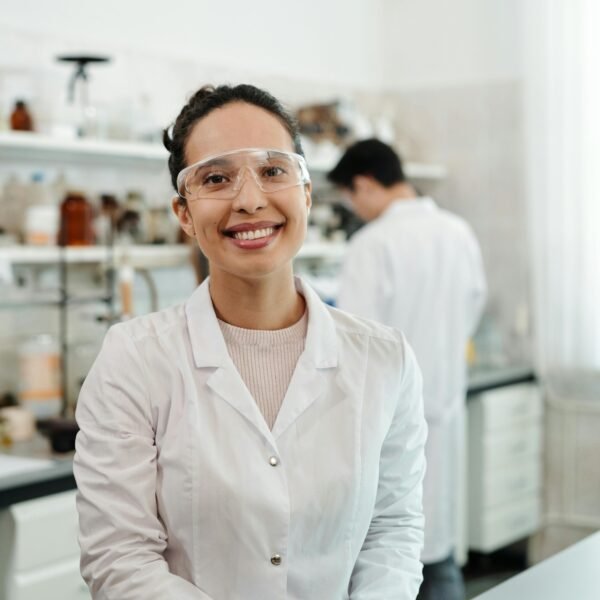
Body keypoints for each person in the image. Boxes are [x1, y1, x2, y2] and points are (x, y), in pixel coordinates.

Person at [74, 85, 428, 600]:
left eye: (272, 170)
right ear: (184, 214)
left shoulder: (385, 358)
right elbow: (119, 558)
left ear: (305, 193)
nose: (248, 199)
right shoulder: (134, 360)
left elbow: (393, 532)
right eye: (216, 178)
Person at [328, 139, 487, 600]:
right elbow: (471, 309)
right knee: (434, 551)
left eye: (351, 197)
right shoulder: (458, 231)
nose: (354, 208)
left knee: (388, 557)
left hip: (387, 417)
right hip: (444, 401)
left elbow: (353, 342)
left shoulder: (371, 243)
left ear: (365, 184)